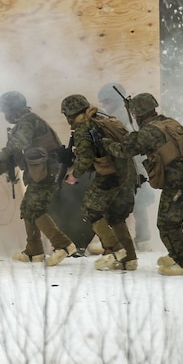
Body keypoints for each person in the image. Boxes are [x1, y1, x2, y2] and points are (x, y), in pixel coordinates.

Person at [105, 93, 183, 276]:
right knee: (172, 220)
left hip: (177, 182)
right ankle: (176, 255)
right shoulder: (169, 122)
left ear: (138, 113)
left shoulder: (148, 131)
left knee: (167, 223)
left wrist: (107, 143)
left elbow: (125, 150)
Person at [0, 91, 77, 266]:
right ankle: (34, 251)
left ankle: (63, 245)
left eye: (6, 111)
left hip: (47, 170)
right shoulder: (23, 124)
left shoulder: (29, 122)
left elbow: (17, 144)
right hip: (39, 171)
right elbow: (13, 154)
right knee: (27, 208)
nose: (5, 116)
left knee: (35, 208)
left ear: (14, 109)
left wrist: (1, 155)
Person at [60, 94, 138, 271]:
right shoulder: (104, 119)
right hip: (128, 173)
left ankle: (113, 248)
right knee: (116, 215)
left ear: (71, 114)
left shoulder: (83, 129)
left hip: (111, 176)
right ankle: (129, 258)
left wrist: (73, 175)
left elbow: (86, 160)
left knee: (90, 209)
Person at [98, 82, 155, 251]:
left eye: (106, 102)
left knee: (128, 201)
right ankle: (143, 239)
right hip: (138, 163)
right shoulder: (129, 114)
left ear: (115, 100)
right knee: (139, 202)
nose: (104, 106)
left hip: (133, 164)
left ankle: (122, 241)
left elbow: (129, 143)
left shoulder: (120, 117)